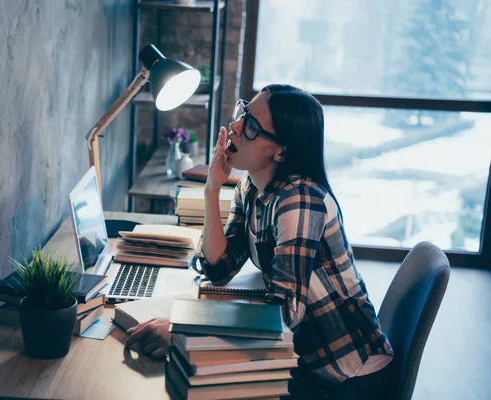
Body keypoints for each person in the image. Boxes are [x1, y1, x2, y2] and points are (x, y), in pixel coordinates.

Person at [126, 84, 394, 399]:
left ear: (280, 150)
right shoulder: (251, 187)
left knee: (200, 383)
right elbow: (219, 269)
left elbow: (283, 313)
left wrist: (183, 328)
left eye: (252, 126)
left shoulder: (300, 200)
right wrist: (212, 188)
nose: (236, 126)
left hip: (343, 373)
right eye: (244, 113)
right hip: (300, 352)